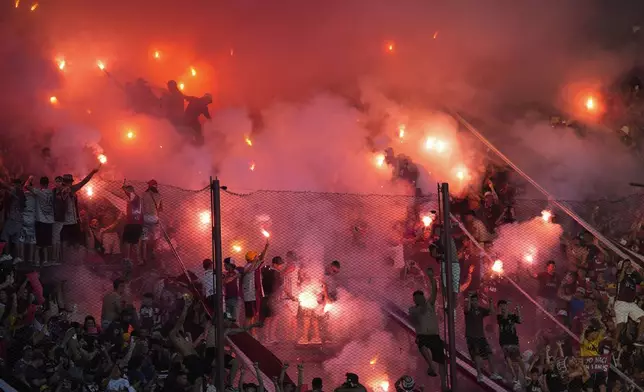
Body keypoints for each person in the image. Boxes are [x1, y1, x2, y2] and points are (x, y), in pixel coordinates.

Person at [408, 267, 446, 386]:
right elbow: (420, 314)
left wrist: (431, 277)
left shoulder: (430, 304)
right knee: (422, 344)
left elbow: (434, 291)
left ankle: (444, 384)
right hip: (423, 336)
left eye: (420, 296)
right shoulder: (413, 309)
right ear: (414, 300)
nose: (419, 299)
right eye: (416, 298)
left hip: (435, 336)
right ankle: (431, 366)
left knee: (441, 361)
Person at [464, 292, 503, 382]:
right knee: (477, 356)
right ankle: (479, 375)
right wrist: (469, 299)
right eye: (473, 301)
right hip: (471, 337)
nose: (475, 302)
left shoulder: (480, 310)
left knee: (489, 353)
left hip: (481, 337)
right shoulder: (468, 309)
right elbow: (467, 309)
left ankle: (494, 373)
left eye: (476, 300)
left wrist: (490, 303)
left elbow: (492, 312)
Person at [241, 239, 269, 333]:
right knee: (249, 316)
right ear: (253, 259)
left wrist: (266, 247)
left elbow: (261, 257)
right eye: (255, 256)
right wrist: (257, 258)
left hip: (252, 294)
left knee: (253, 315)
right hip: (249, 295)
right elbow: (250, 268)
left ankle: (251, 334)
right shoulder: (249, 267)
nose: (257, 257)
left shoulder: (253, 265)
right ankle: (247, 334)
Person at [614, 259, 644, 345]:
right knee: (621, 325)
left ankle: (639, 339)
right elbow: (620, 279)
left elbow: (642, 281)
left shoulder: (634, 276)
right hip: (621, 303)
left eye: (630, 264)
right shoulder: (620, 274)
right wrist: (624, 268)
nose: (629, 265)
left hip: (631, 303)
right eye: (627, 264)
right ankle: (614, 344)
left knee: (643, 318)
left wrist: (640, 272)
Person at [496, 300, 525, 389]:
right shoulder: (499, 316)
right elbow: (504, 317)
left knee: (518, 358)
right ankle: (515, 377)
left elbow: (520, 320)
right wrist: (506, 309)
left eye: (504, 305)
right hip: (504, 342)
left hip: (513, 341)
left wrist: (518, 309)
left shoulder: (512, 316)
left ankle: (525, 375)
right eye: (501, 306)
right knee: (508, 359)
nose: (503, 307)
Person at [26, 176, 54, 266]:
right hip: (50, 222)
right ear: (48, 183)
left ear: (41, 184)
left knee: (38, 244)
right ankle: (45, 261)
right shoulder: (51, 193)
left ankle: (37, 261)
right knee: (46, 244)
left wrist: (30, 179)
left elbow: (26, 186)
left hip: (41, 221)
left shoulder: (39, 192)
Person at [260, 256, 286, 344]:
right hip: (273, 298)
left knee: (267, 318)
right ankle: (271, 337)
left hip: (265, 297)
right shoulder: (276, 274)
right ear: (274, 264)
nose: (281, 266)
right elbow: (280, 287)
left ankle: (266, 338)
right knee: (274, 318)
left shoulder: (266, 270)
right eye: (279, 265)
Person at [0, 178, 25, 263]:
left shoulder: (17, 191)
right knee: (16, 239)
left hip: (13, 219)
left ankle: (7, 255)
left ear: (17, 185)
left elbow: (6, 186)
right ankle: (18, 257)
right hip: (19, 219)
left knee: (5, 235)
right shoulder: (21, 193)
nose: (12, 186)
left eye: (14, 184)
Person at [141, 179, 162, 264]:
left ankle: (144, 257)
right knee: (156, 237)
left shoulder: (144, 194)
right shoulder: (159, 195)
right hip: (154, 218)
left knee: (144, 238)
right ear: (156, 186)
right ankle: (153, 251)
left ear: (149, 186)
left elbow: (142, 207)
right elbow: (160, 209)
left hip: (145, 218)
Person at [122, 183, 143, 264]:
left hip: (132, 223)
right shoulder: (137, 198)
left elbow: (128, 192)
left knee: (127, 241)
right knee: (135, 242)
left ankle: (127, 259)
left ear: (131, 190)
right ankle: (138, 260)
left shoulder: (134, 196)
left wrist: (124, 188)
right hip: (137, 224)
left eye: (128, 190)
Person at [321, 260, 341, 343]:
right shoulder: (323, 274)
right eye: (333, 271)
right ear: (330, 266)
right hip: (325, 297)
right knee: (325, 317)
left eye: (336, 272)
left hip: (332, 297)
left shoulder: (332, 276)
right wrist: (326, 298)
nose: (334, 273)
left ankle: (329, 336)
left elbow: (335, 287)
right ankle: (324, 337)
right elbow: (323, 287)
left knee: (330, 318)